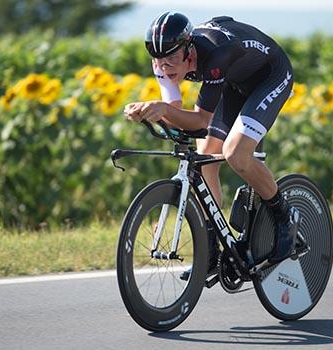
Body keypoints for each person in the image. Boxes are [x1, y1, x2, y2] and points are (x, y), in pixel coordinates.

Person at [124, 12, 301, 279]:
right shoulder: (162, 62)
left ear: (189, 51)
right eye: (159, 61)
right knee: (205, 161)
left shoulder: (215, 55)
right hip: (234, 81)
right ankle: (211, 253)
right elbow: (178, 117)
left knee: (236, 155)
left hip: (270, 76)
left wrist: (160, 110)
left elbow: (200, 121)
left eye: (172, 59)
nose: (165, 67)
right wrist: (150, 113)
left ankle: (285, 220)